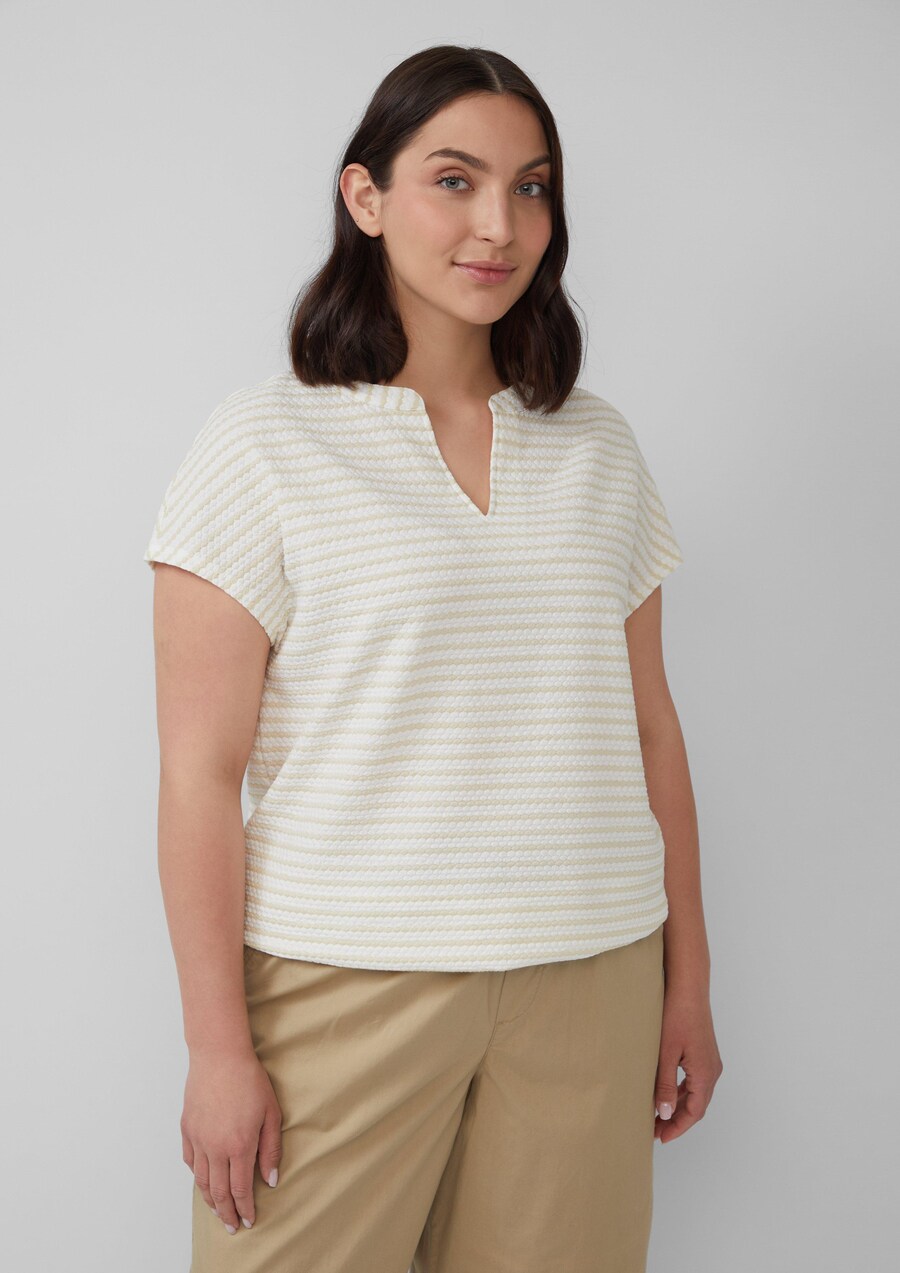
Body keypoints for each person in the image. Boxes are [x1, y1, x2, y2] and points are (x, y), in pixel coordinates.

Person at [144, 43, 722, 1273]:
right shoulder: (261, 444)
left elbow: (652, 728)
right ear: (365, 197)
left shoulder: (599, 447)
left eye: (531, 187)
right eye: (454, 180)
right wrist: (215, 1048)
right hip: (344, 983)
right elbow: (199, 773)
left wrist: (689, 982)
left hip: (593, 970)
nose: (499, 225)